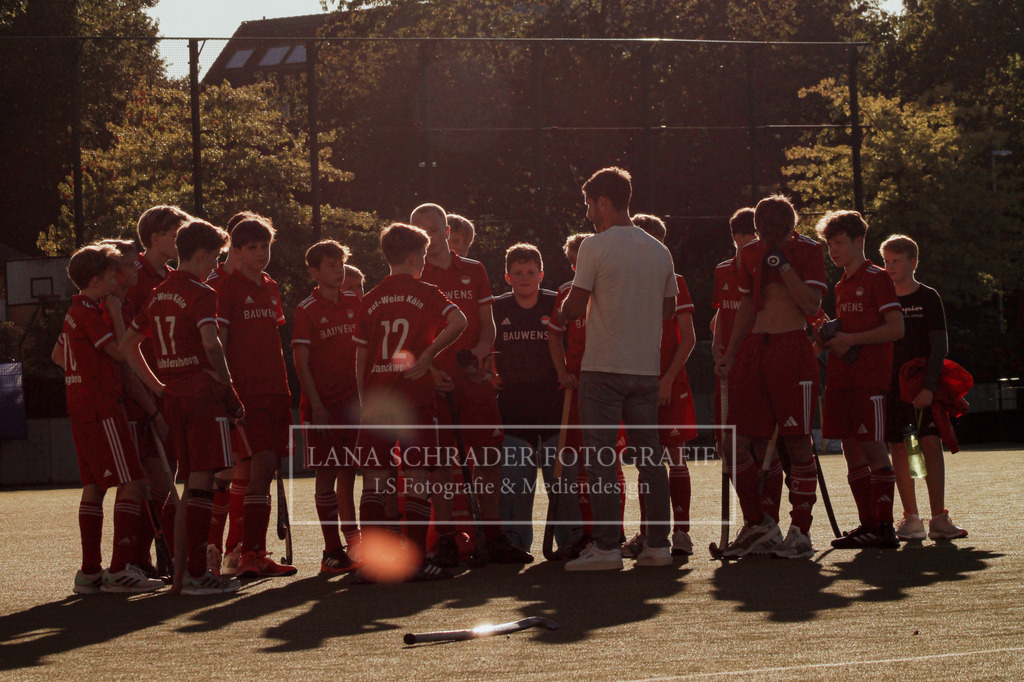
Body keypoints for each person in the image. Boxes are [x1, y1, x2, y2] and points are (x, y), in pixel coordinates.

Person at [557, 167, 678, 571]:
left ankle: (607, 547)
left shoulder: (595, 245)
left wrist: (560, 315)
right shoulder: (660, 250)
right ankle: (658, 545)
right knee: (650, 458)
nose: (589, 212)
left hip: (603, 368)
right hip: (645, 369)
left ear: (603, 202)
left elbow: (573, 306)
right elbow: (668, 310)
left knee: (601, 458)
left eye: (590, 204)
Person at [121, 220, 241, 595]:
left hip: (173, 398)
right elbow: (211, 344)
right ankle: (195, 574)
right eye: (215, 258)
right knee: (203, 483)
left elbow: (128, 345)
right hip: (203, 395)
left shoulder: (156, 294)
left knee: (187, 487)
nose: (215, 267)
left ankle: (178, 576)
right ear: (202, 254)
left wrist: (157, 385)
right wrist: (228, 385)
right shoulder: (202, 293)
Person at [353, 222, 467, 581]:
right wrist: (429, 355)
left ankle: (370, 564)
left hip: (377, 401)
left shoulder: (368, 299)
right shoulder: (427, 291)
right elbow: (459, 321)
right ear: (417, 256)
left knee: (375, 480)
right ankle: (415, 560)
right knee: (417, 476)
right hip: (415, 400)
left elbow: (359, 360)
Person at [413, 204, 526, 563]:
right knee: (441, 462)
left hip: (476, 379)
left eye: (432, 230)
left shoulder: (474, 270)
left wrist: (482, 347)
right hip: (437, 384)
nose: (427, 238)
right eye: (420, 232)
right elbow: (410, 337)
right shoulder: (415, 274)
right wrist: (429, 370)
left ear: (446, 231)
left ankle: (492, 537)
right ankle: (446, 539)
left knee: (489, 458)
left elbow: (487, 323)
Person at [715, 195, 827, 559]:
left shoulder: (809, 250)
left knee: (797, 442)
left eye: (773, 234)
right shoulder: (750, 253)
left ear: (790, 227)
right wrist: (731, 353)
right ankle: (760, 523)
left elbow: (812, 306)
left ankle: (801, 531)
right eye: (763, 234)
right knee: (736, 441)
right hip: (754, 350)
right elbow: (747, 304)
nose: (768, 241)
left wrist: (783, 267)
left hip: (792, 348)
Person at [53, 243, 165, 595]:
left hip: (83, 405)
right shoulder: (89, 309)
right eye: (113, 272)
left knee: (95, 485)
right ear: (99, 279)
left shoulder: (76, 310)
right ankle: (119, 570)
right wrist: (116, 314)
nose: (121, 276)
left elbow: (59, 354)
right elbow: (119, 351)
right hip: (102, 406)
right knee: (132, 480)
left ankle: (89, 571)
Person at [815, 210, 904, 550]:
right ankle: (868, 525)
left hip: (868, 381)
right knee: (850, 451)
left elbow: (897, 328)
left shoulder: (878, 277)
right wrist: (827, 336)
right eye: (829, 244)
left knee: (873, 450)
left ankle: (883, 527)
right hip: (841, 380)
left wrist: (850, 340)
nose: (832, 250)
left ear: (858, 241)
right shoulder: (840, 284)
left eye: (838, 242)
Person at [214, 214, 297, 578]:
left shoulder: (269, 285)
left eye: (265, 247)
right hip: (246, 393)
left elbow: (273, 340)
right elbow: (219, 343)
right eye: (252, 248)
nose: (261, 254)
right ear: (236, 249)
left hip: (275, 390)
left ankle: (251, 552)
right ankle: (247, 553)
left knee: (267, 466)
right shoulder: (224, 287)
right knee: (258, 465)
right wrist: (228, 390)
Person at [493, 243, 582, 556]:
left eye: (531, 272)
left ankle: (571, 540)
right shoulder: (497, 307)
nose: (525, 277)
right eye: (518, 272)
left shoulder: (556, 303)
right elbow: (481, 342)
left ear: (541, 274)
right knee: (516, 486)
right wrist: (490, 370)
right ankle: (515, 543)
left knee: (562, 485)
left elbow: (573, 341)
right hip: (514, 412)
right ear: (507, 277)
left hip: (556, 408)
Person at [880, 235, 967, 540]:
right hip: (891, 386)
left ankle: (939, 518)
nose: (889, 267)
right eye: (886, 261)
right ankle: (911, 518)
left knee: (930, 442)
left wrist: (929, 387)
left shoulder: (929, 297)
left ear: (913, 262)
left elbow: (939, 346)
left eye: (896, 261)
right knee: (898, 447)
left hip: (923, 384)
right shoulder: (882, 295)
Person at [624, 214, 697, 559]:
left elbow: (689, 338)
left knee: (675, 457)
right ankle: (648, 532)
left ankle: (681, 533)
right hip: (637, 384)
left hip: (669, 383)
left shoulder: (675, 280)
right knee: (645, 461)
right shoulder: (622, 281)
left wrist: (667, 379)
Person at [293, 240, 363, 573]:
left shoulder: (355, 301)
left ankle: (354, 543)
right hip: (323, 408)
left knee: (349, 473)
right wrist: (317, 406)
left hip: (355, 406)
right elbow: (301, 362)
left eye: (341, 263)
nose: (338, 270)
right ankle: (331, 551)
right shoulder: (306, 309)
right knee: (326, 475)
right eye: (330, 265)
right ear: (314, 272)